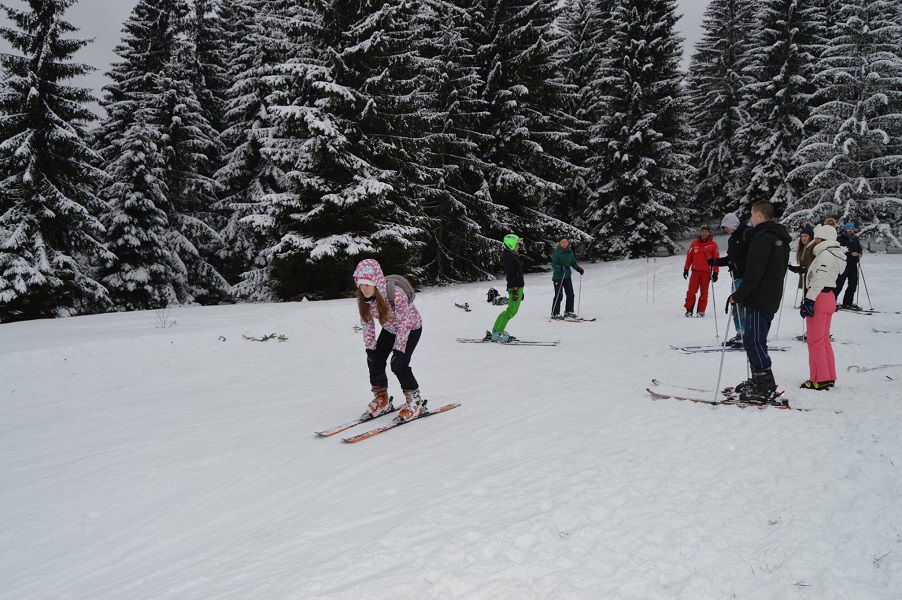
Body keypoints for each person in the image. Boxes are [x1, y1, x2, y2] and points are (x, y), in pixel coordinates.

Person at [728, 201, 791, 404]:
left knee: (753, 341)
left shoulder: (763, 238)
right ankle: (758, 380)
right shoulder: (776, 237)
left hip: (761, 298)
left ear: (759, 215)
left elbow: (754, 274)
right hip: (768, 296)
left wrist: (738, 295)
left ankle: (765, 385)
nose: (751, 218)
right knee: (755, 339)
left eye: (752, 214)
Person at [353, 258, 425, 423]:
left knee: (399, 364)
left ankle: (415, 402)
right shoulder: (363, 299)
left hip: (410, 328)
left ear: (376, 283)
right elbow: (367, 325)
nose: (363, 288)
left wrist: (399, 351)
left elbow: (404, 323)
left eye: (367, 284)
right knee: (375, 360)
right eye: (360, 284)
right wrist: (370, 349)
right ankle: (382, 400)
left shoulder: (395, 294)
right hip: (390, 329)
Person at [799, 225, 847, 390]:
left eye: (817, 238)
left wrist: (809, 300)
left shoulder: (825, 255)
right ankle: (829, 375)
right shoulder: (834, 254)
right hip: (829, 297)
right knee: (824, 339)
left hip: (819, 297)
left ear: (824, 239)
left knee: (815, 341)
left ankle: (818, 379)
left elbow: (819, 279)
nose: (814, 241)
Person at [708, 213, 751, 346]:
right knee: (736, 305)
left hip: (746, 277)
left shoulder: (747, 234)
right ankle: (740, 333)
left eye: (726, 227)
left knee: (741, 305)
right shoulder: (732, 239)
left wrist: (737, 264)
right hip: (736, 277)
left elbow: (752, 256)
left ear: (732, 224)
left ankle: (747, 334)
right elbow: (730, 259)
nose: (725, 230)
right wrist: (715, 262)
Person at [485, 234, 524, 342]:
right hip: (514, 287)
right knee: (510, 312)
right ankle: (497, 332)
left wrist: (521, 290)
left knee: (511, 311)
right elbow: (510, 274)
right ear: (511, 244)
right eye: (517, 245)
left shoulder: (511, 256)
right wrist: (515, 289)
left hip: (518, 287)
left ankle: (497, 331)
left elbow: (516, 274)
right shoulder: (509, 257)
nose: (519, 247)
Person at [683, 224, 720, 317]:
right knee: (691, 291)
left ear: (709, 233)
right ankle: (689, 310)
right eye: (702, 231)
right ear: (700, 232)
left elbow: (716, 259)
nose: (704, 233)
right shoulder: (694, 243)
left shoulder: (713, 245)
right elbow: (689, 257)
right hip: (695, 271)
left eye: (706, 231)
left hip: (706, 273)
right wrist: (686, 269)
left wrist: (716, 272)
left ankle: (701, 311)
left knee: (704, 293)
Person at [550, 234, 584, 319]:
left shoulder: (570, 251)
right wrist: (561, 268)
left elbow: (573, 263)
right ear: (559, 243)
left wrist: (578, 269)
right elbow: (554, 265)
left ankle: (569, 311)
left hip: (567, 276)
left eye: (566, 242)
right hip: (558, 277)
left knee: (570, 294)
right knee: (559, 295)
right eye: (563, 242)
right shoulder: (557, 252)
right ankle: (555, 313)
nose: (565, 243)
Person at [834, 222, 863, 310]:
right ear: (845, 229)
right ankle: (832, 301)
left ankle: (848, 302)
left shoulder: (855, 238)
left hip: (853, 264)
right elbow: (839, 250)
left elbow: (859, 248)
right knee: (839, 283)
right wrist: (851, 253)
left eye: (852, 228)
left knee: (853, 283)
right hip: (844, 263)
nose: (850, 230)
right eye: (849, 228)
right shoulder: (841, 238)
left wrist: (860, 253)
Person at [788, 224, 815, 290]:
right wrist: (794, 269)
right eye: (802, 236)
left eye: (806, 236)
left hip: (812, 282)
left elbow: (813, 265)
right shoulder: (803, 249)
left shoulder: (813, 248)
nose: (803, 238)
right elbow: (804, 267)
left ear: (811, 237)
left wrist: (806, 270)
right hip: (805, 280)